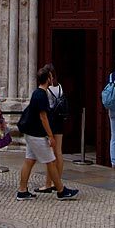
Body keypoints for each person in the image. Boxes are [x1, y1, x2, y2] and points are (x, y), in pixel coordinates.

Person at [16, 66, 78, 201]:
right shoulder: (42, 94)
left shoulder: (37, 93)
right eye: (50, 76)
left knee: (29, 160)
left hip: (31, 133)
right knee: (51, 161)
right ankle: (61, 190)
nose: (52, 78)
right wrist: (50, 136)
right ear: (47, 78)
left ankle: (22, 190)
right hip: (37, 134)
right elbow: (43, 117)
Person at [38, 64, 66, 193]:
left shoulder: (47, 90)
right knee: (58, 152)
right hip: (60, 121)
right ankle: (57, 181)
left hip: (51, 121)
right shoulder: (59, 87)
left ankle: (48, 183)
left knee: (50, 154)